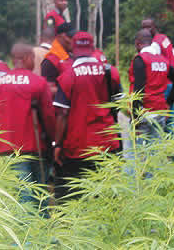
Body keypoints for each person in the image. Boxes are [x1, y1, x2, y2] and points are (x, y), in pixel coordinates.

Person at [0, 43, 55, 211]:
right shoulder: (38, 82)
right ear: (26, 59)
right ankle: (42, 230)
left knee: (22, 192)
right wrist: (54, 142)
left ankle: (25, 234)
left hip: (8, 148)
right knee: (40, 191)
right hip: (36, 146)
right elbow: (49, 116)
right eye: (33, 57)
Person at [52, 32, 122, 199]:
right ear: (92, 48)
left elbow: (62, 114)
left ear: (73, 50)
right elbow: (118, 104)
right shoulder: (109, 72)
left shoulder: (68, 76)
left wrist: (57, 144)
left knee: (78, 195)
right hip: (107, 143)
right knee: (106, 195)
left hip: (78, 146)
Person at [129, 29, 174, 143]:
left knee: (138, 154)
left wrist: (136, 119)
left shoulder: (141, 59)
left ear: (138, 43)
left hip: (144, 113)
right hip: (160, 111)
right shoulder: (163, 60)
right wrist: (169, 103)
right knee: (156, 150)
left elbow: (138, 90)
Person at [41, 23, 76, 94]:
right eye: (70, 37)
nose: (74, 40)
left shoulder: (70, 56)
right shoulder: (50, 61)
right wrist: (74, 90)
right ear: (60, 37)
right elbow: (48, 90)